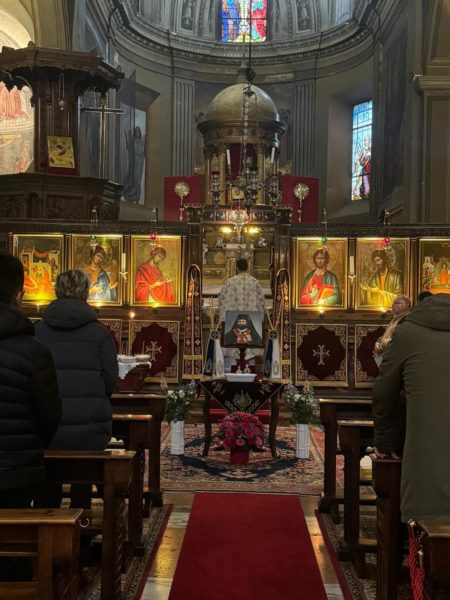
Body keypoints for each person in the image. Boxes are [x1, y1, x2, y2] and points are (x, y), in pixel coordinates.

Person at [34, 270, 118, 509]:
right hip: (90, 431)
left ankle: (48, 517)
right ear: (86, 293)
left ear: (56, 291)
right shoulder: (100, 334)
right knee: (84, 471)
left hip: (45, 430)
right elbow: (110, 382)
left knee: (48, 479)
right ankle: (82, 515)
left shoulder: (36, 332)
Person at [0, 255, 60, 579]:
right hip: (17, 472)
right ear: (18, 296)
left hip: (17, 468)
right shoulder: (34, 351)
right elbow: (49, 417)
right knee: (13, 554)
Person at [373, 293, 450, 522]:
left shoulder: (407, 333)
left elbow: (384, 392)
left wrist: (386, 442)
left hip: (425, 456)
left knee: (427, 517)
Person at [373, 294, 411, 365]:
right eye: (393, 303)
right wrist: (377, 342)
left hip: (396, 359)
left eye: (396, 303)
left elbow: (397, 340)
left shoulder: (407, 320)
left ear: (406, 305)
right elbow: (386, 334)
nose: (392, 305)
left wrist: (381, 346)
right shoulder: (395, 319)